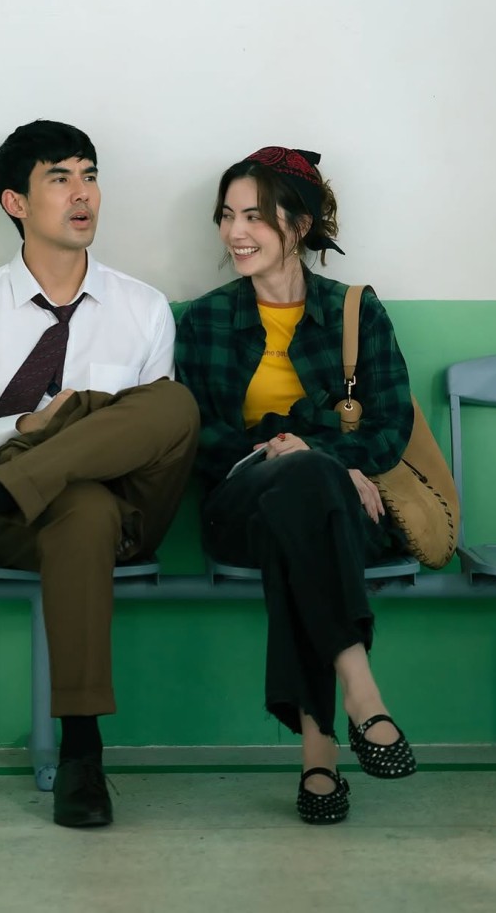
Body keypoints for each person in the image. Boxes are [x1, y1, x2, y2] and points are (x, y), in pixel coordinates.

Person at [0, 120, 199, 829]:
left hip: (129, 510)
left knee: (172, 405)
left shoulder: (144, 307)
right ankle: (82, 753)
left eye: (89, 175)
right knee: (80, 506)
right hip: (17, 525)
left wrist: (79, 424)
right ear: (16, 203)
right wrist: (24, 427)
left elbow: (153, 437)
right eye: (59, 178)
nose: (81, 193)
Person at [174, 145, 417, 826]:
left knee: (305, 503)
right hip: (239, 509)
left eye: (254, 215)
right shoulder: (204, 320)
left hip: (340, 510)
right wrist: (283, 452)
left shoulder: (354, 311)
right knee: (301, 483)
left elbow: (392, 423)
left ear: (300, 224)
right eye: (227, 215)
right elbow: (195, 435)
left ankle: (320, 759)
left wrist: (321, 456)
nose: (235, 231)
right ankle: (360, 692)